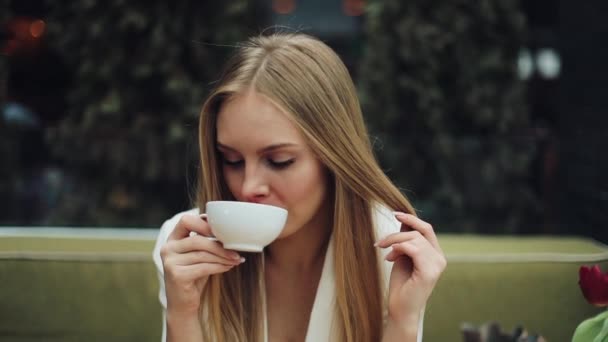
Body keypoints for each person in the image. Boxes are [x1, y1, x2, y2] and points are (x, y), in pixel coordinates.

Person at [152, 32, 446, 342]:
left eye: (279, 161)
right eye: (232, 160)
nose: (249, 187)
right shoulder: (184, 250)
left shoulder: (389, 254)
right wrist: (181, 314)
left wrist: (403, 322)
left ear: (334, 157)